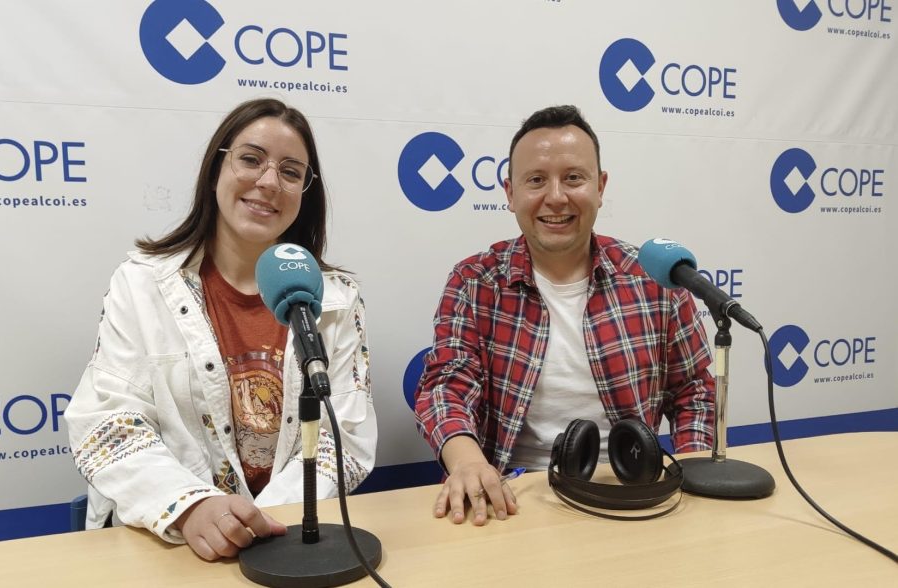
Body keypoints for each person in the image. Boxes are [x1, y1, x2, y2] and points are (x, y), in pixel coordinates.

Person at [65, 98, 377, 561]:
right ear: (216, 171)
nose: (268, 182)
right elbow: (107, 425)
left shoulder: (336, 298)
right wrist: (192, 507)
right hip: (172, 546)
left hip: (288, 542)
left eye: (290, 172)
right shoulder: (142, 284)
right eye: (251, 159)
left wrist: (264, 522)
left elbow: (344, 438)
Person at [414, 105, 715, 526]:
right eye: (536, 180)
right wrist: (467, 462)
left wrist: (693, 471)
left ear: (600, 187)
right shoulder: (474, 281)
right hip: (511, 498)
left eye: (573, 178)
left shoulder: (654, 279)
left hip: (638, 492)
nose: (556, 197)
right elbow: (446, 388)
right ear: (510, 193)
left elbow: (694, 391)